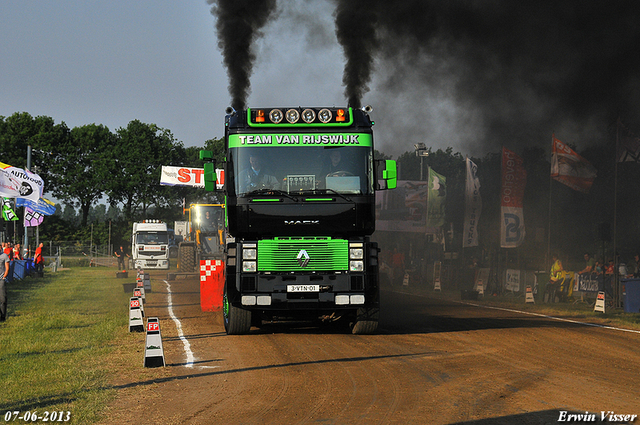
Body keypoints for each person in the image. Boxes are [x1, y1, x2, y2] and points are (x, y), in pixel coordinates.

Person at [0, 246, 9, 321]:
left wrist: (4, 277)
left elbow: (7, 268)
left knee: (3, 299)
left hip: (1, 280)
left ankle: (3, 316)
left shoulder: (4, 256)